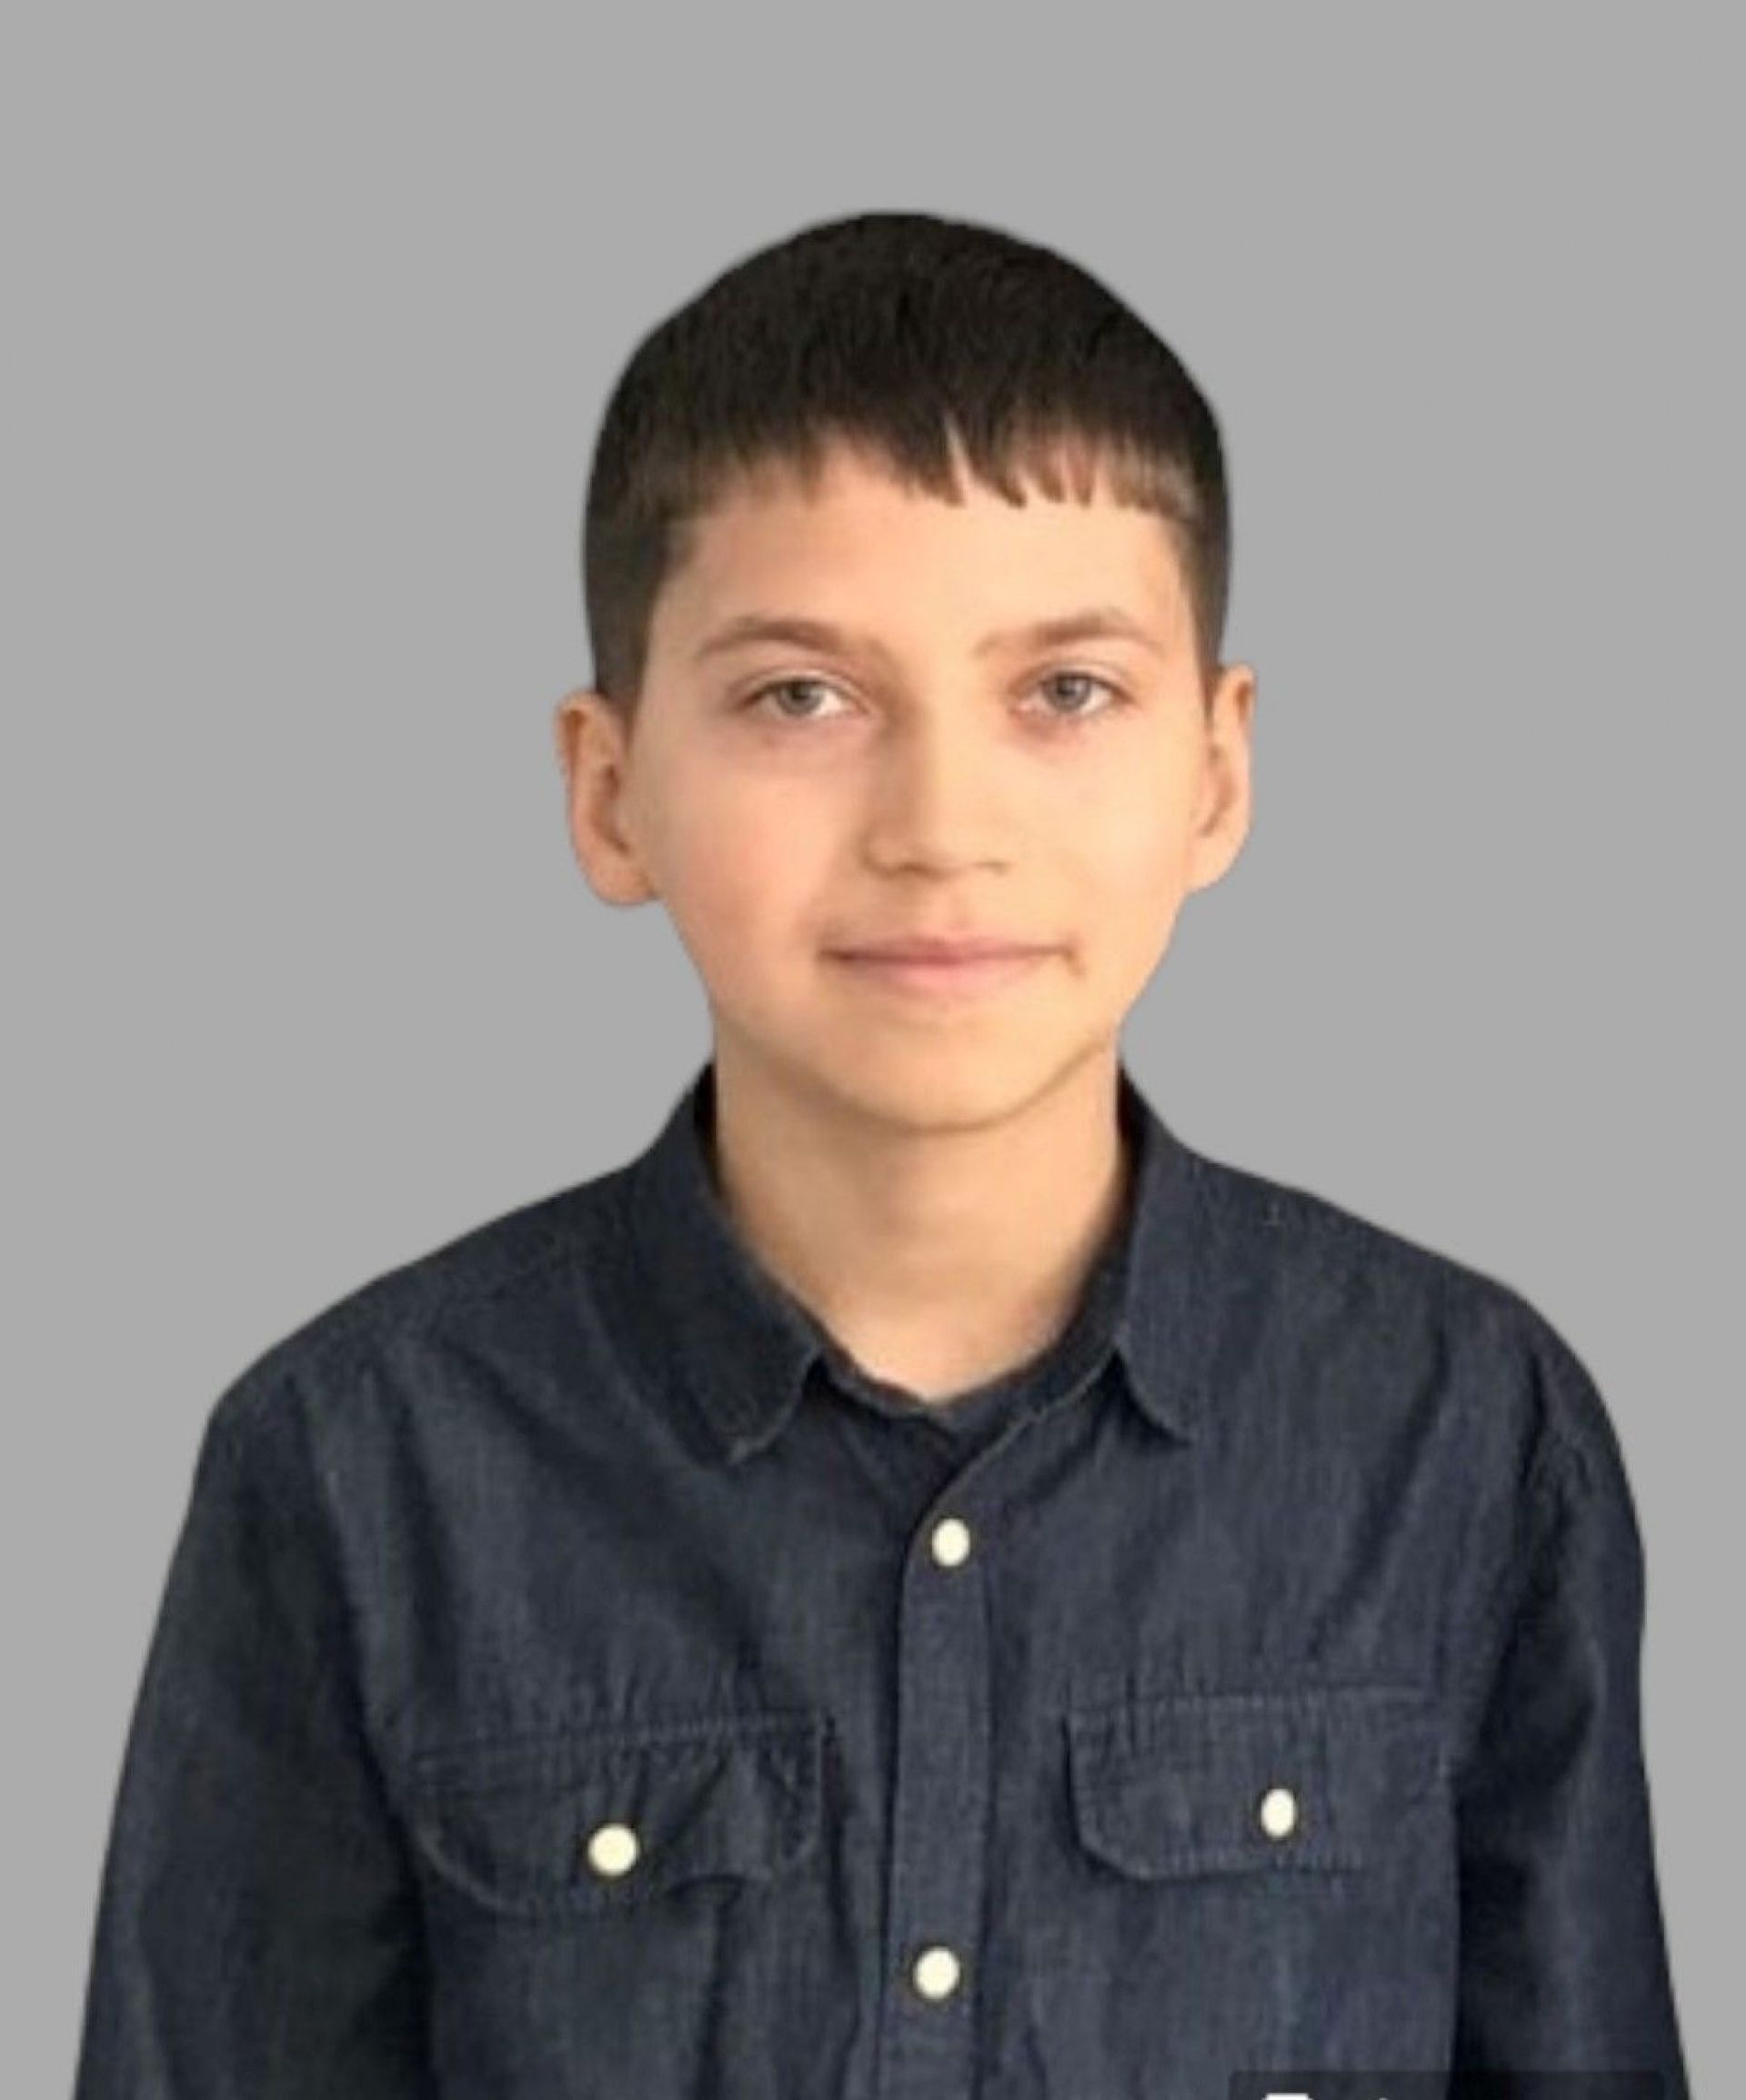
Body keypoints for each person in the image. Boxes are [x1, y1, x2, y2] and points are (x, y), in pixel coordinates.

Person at [71, 209, 1690, 2096]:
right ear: (609, 788)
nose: (942, 825)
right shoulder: (358, 1469)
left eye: (1065, 691)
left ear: (1218, 768)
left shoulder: (1464, 1431)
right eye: (802, 697)